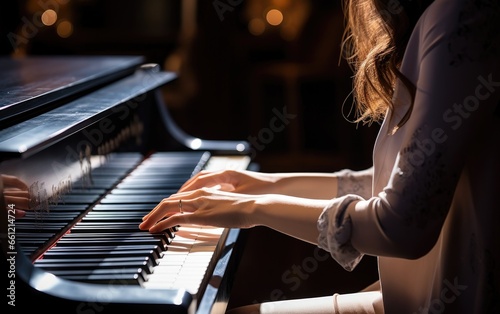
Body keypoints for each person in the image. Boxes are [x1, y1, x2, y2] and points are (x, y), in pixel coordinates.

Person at [140, 0, 500, 312]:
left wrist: (254, 208)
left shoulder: (459, 15)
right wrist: (256, 184)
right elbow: (389, 184)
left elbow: (402, 226)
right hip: (403, 298)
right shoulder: (437, 15)